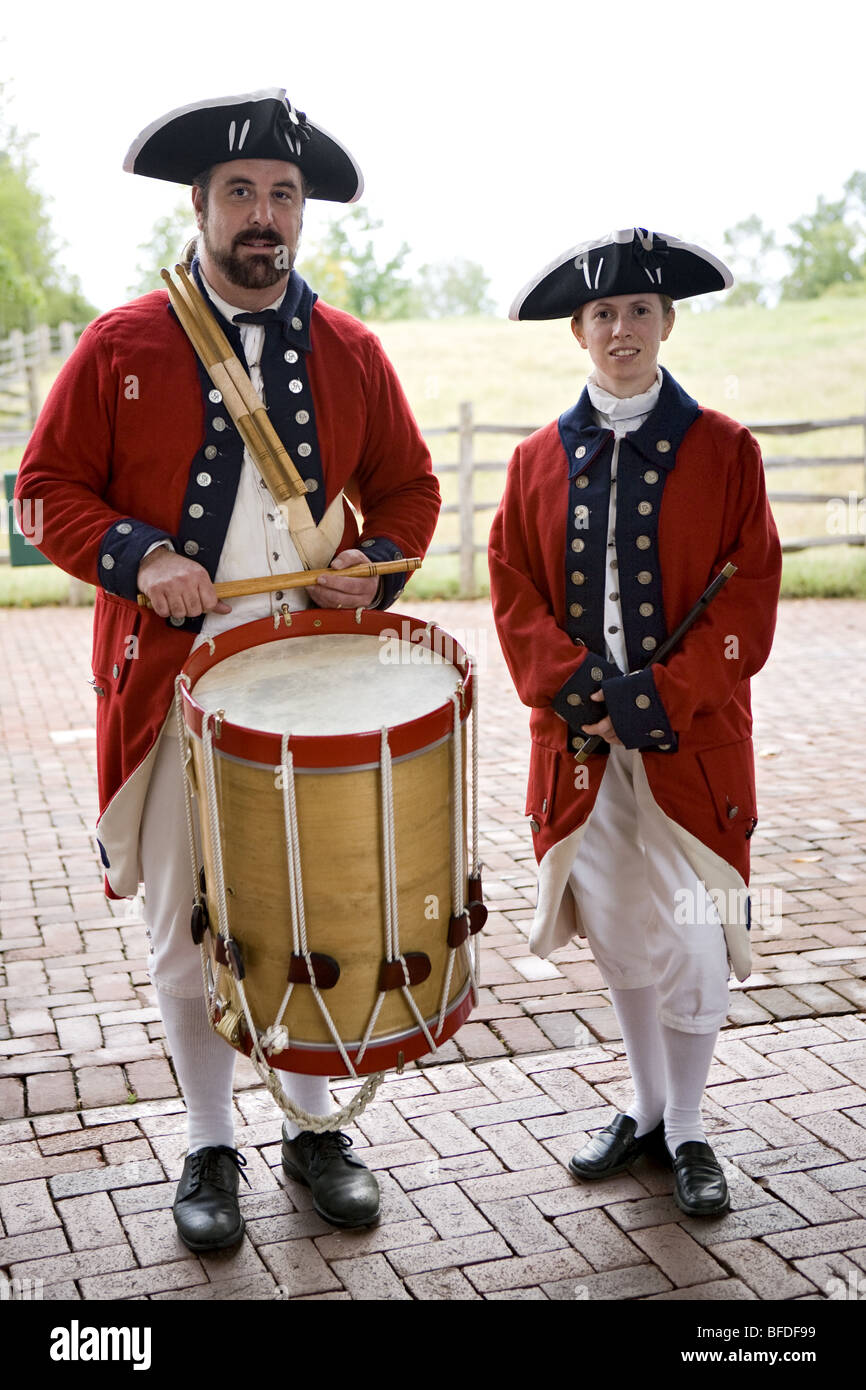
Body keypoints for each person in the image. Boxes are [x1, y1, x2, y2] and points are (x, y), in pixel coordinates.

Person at [15, 88, 440, 1248]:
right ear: (199, 205)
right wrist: (138, 553)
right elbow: (43, 490)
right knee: (189, 927)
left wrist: (372, 562)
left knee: (309, 909)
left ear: (302, 216)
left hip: (321, 691)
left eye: (284, 197)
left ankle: (312, 1131)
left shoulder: (351, 348)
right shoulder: (120, 344)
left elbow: (408, 488)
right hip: (175, 692)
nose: (264, 215)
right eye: (242, 194)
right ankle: (210, 1143)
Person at [488, 228, 781, 1216]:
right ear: (578, 330)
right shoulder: (535, 461)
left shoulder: (725, 451)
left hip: (689, 746)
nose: (622, 329)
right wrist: (582, 696)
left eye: (640, 312)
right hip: (577, 749)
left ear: (665, 324)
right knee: (617, 928)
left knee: (696, 934)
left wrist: (652, 699)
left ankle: (691, 1124)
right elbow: (512, 594)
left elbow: (748, 604)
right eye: (603, 314)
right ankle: (648, 1108)